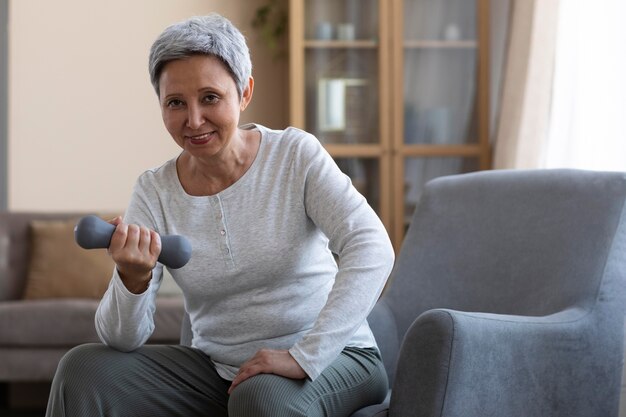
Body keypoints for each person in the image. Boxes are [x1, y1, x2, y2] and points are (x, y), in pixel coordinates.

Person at [45, 13, 394, 417]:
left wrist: (305, 355)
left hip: (336, 359)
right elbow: (120, 339)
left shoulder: (294, 155)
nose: (193, 120)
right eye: (176, 103)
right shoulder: (155, 190)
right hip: (219, 370)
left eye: (210, 97)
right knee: (83, 369)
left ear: (244, 93)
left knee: (260, 397)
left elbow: (373, 247)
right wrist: (133, 279)